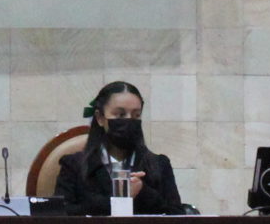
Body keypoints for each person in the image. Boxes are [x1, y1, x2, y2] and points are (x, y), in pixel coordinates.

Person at [54, 80, 186, 215]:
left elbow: (177, 215)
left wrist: (143, 192)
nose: (129, 120)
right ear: (100, 118)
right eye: (120, 115)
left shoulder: (159, 164)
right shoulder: (74, 166)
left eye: (136, 115)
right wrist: (118, 200)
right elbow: (61, 213)